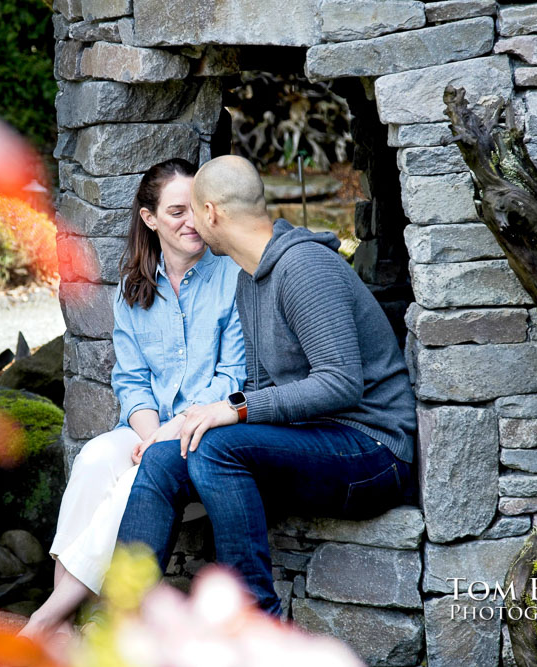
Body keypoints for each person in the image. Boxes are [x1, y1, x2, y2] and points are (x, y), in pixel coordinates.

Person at [115, 155, 417, 616]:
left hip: (373, 451)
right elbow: (258, 386)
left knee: (215, 447)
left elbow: (341, 384)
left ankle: (255, 622)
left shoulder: (304, 269)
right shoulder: (249, 281)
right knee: (163, 457)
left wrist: (232, 409)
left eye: (193, 210)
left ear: (211, 213)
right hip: (312, 439)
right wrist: (191, 422)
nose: (190, 224)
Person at [20, 158, 246, 637]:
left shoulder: (232, 278)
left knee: (130, 485)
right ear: (149, 219)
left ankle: (48, 618)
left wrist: (166, 436)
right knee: (95, 459)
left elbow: (232, 377)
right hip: (147, 430)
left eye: (200, 210)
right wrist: (151, 433)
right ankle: (68, 616)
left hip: (206, 435)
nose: (193, 222)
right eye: (177, 211)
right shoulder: (133, 289)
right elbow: (131, 382)